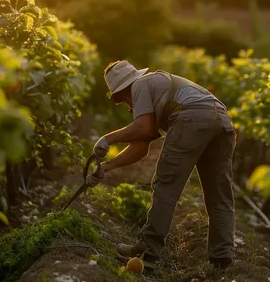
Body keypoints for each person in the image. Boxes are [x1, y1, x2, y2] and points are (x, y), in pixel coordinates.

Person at [86, 60, 237, 271]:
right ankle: (223, 261)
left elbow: (142, 127)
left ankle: (147, 252)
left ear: (122, 92)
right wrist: (106, 168)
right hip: (221, 120)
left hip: (192, 118)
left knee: (166, 186)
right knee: (219, 194)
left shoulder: (140, 85)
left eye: (120, 100)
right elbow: (141, 146)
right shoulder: (157, 87)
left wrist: (107, 138)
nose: (126, 105)